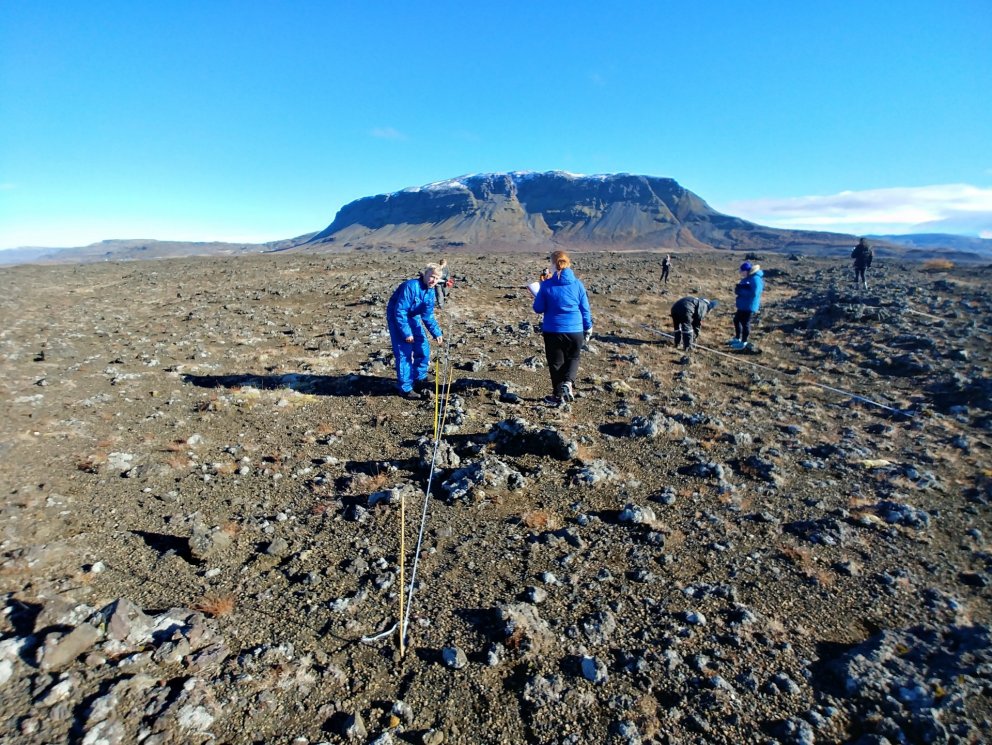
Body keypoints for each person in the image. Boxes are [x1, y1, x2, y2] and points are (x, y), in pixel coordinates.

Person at [532, 250, 593, 406]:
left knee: (556, 362)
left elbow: (538, 308)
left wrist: (540, 289)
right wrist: (588, 327)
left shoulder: (546, 285)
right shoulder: (578, 284)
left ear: (553, 264)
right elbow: (585, 308)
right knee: (573, 357)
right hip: (575, 330)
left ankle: (558, 396)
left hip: (553, 330)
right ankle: (568, 382)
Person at [386, 264, 444, 400]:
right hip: (397, 317)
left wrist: (437, 332)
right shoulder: (411, 286)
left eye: (436, 278)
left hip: (412, 315)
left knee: (423, 345)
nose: (433, 281)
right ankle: (405, 388)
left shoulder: (430, 292)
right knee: (404, 351)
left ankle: (420, 376)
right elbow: (399, 311)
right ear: (425, 274)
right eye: (431, 277)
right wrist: (407, 333)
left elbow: (427, 315)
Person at [729, 261, 764, 350]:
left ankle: (743, 343)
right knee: (736, 320)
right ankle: (737, 338)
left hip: (749, 305)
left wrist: (741, 291)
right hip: (743, 304)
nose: (740, 273)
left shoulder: (755, 279)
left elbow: (755, 293)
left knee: (745, 323)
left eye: (742, 271)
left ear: (746, 271)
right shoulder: (749, 278)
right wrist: (739, 289)